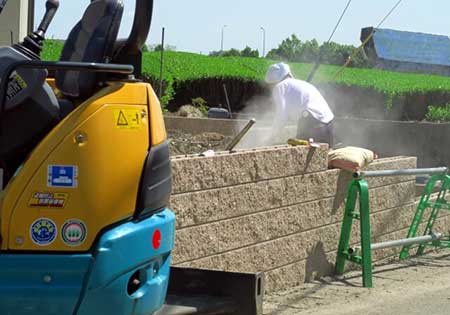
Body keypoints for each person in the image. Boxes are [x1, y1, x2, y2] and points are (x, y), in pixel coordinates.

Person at [265, 63, 335, 147]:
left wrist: (270, 137)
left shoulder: (280, 86)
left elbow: (281, 115)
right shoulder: (302, 84)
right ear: (288, 74)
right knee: (324, 157)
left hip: (311, 122)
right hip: (328, 125)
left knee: (300, 155)